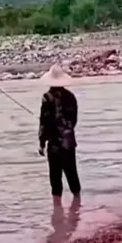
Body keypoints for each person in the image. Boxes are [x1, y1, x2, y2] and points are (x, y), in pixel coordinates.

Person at [37, 64, 81, 202]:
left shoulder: (47, 97)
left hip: (55, 144)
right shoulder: (71, 97)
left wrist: (41, 143)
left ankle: (57, 211)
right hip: (69, 142)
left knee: (55, 178)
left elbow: (44, 123)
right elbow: (73, 120)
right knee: (72, 175)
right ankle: (78, 204)